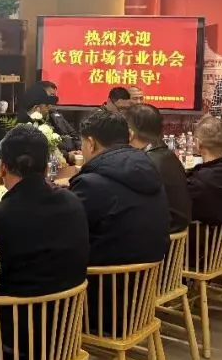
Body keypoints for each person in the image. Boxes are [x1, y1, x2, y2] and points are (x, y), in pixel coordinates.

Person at [0, 125, 88, 360]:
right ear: (47, 167)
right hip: (66, 333)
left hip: (16, 343)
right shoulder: (72, 201)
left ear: (2, 167)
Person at [69, 109, 170, 266]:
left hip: (103, 277)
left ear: (91, 143)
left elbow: (66, 232)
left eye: (82, 144)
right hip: (151, 276)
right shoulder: (150, 169)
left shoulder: (90, 184)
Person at [127, 103, 192, 232]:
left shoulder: (144, 163)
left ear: (130, 133)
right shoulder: (169, 156)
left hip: (157, 235)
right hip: (174, 230)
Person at [39, 81, 81, 153]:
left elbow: (73, 134)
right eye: (52, 95)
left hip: (73, 153)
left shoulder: (56, 114)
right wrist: (67, 155)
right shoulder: (35, 119)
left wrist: (80, 149)